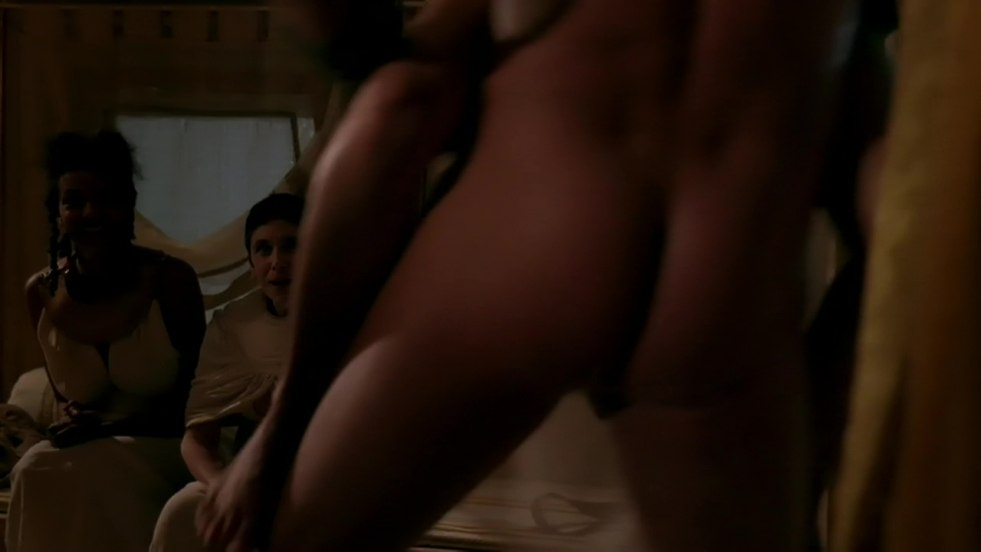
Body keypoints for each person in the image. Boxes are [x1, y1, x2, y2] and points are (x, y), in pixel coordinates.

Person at [199, 1, 855, 550]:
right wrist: (806, 437)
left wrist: (280, 432)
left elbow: (399, 98)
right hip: (724, 266)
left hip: (545, 223)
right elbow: (882, 182)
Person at [7, 129, 205, 552]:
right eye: (75, 202)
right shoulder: (40, 292)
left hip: (169, 444)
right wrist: (74, 419)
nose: (92, 212)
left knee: (64, 467)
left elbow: (199, 404)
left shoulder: (171, 281)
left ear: (130, 205)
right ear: (57, 213)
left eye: (108, 199)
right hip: (91, 446)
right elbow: (67, 399)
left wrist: (112, 425)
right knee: (35, 466)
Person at [149, 193, 303, 552]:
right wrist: (221, 486)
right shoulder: (233, 324)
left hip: (327, 468)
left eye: (291, 245)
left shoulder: (348, 313)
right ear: (251, 262)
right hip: (250, 473)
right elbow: (197, 437)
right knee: (183, 511)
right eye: (263, 249)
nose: (277, 262)